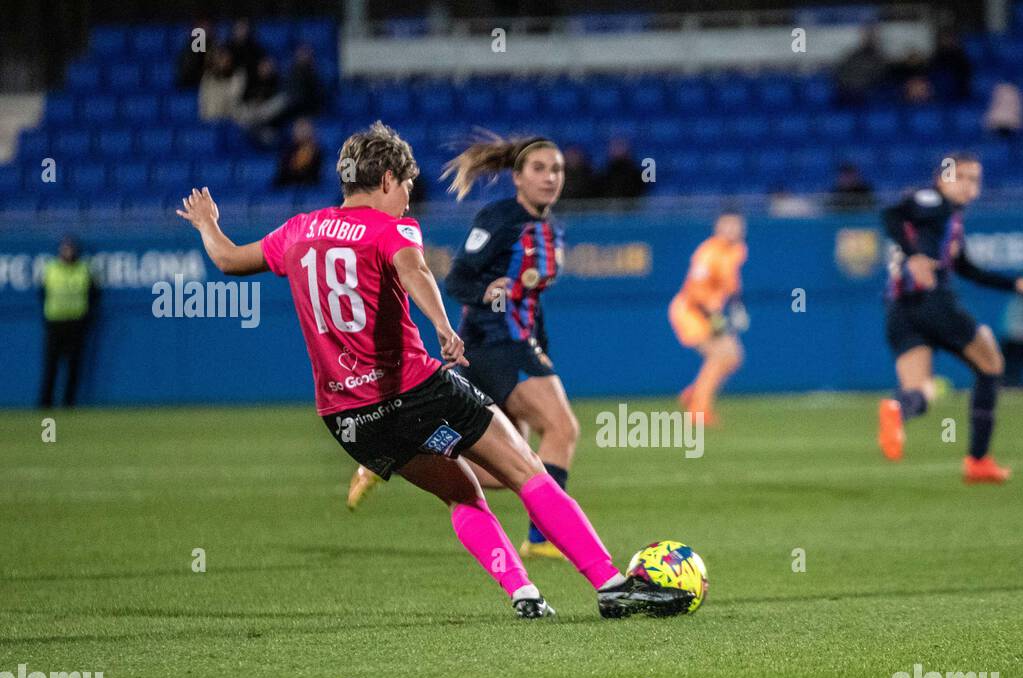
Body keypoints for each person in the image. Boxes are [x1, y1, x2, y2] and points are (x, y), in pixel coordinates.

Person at [177, 122, 688, 619]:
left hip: (347, 418)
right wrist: (443, 326)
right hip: (416, 388)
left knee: (462, 492)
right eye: (406, 185)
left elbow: (227, 260)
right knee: (526, 468)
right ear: (384, 181)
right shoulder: (390, 226)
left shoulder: (297, 231)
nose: (408, 197)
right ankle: (611, 583)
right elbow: (415, 269)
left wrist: (207, 223)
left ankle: (524, 593)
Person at [347, 134, 580, 565]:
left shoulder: (548, 230)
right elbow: (458, 282)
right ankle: (543, 537)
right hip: (494, 345)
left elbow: (529, 298)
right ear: (517, 178)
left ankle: (398, 458)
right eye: (540, 169)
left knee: (507, 465)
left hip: (517, 344)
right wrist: (486, 290)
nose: (550, 177)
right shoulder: (498, 219)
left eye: (557, 170)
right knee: (562, 428)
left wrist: (540, 345)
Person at [876, 154, 1023, 483]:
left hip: (900, 310)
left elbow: (966, 268)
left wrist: (1013, 284)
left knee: (920, 390)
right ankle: (978, 461)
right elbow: (890, 214)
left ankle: (897, 410)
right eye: (963, 177)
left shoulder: (948, 218)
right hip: (934, 304)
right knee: (991, 365)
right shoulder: (933, 202)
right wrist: (915, 258)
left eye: (975, 179)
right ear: (942, 178)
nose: (970, 186)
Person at [668, 213, 748, 427]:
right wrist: (714, 319)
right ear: (717, 229)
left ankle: (695, 393)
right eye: (727, 227)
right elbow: (695, 291)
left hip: (711, 311)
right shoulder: (707, 253)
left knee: (734, 357)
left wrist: (737, 306)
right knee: (720, 355)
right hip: (691, 311)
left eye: (736, 227)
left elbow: (731, 282)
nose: (732, 231)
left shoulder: (738, 250)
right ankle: (698, 410)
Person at [38, 237, 97, 408]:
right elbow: (41, 293)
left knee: (73, 367)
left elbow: (94, 295)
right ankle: (45, 403)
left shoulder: (83, 270)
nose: (68, 252)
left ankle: (68, 403)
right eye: (65, 249)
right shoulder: (51, 269)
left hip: (76, 324)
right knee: (51, 366)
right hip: (55, 323)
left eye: (70, 249)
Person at [274, 119, 323, 187]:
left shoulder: (318, 153)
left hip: (310, 188)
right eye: (300, 130)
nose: (302, 133)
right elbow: (281, 179)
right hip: (289, 187)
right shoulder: (286, 153)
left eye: (305, 130)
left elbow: (317, 178)